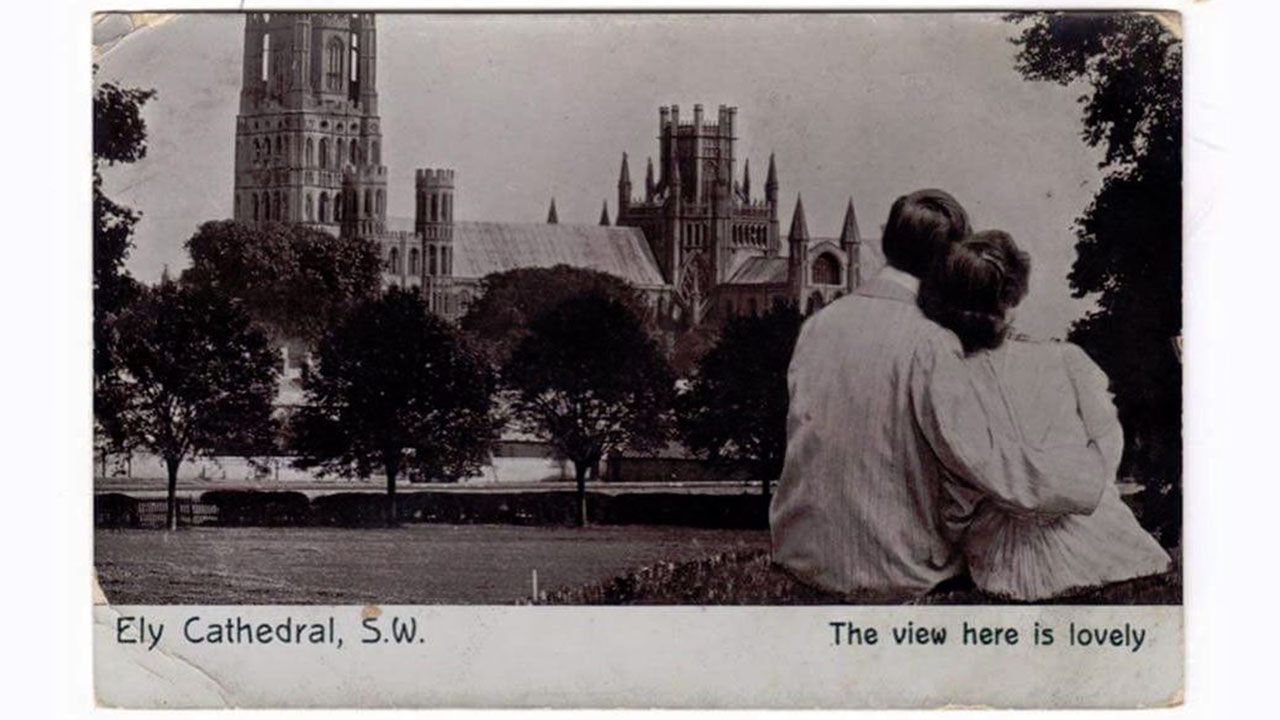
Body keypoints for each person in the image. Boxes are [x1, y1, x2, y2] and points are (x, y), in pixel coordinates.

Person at [769, 189, 1112, 601]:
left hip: (802, 554)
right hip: (893, 566)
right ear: (949, 260)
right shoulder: (930, 340)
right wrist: (1087, 477)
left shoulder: (818, 325)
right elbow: (985, 460)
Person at [917, 230, 1170, 600]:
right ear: (1015, 294)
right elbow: (1106, 442)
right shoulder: (1067, 359)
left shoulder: (949, 379)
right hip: (1100, 540)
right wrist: (1081, 487)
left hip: (1001, 554)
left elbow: (958, 489)